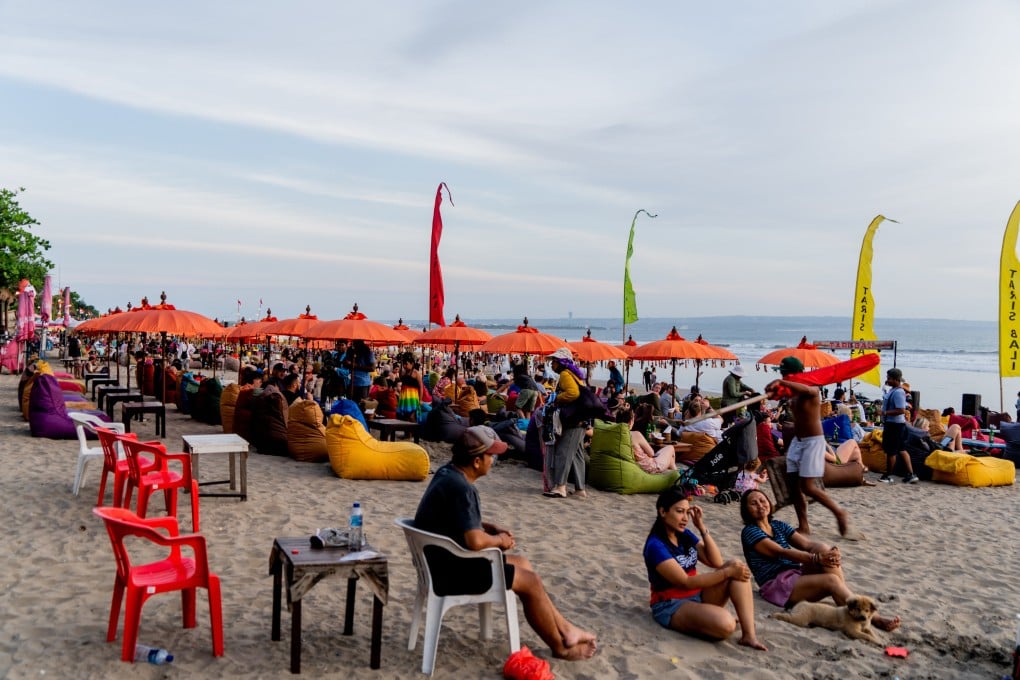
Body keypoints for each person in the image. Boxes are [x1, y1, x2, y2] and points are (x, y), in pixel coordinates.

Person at [414, 426, 598, 661]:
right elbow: (474, 540)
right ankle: (560, 646)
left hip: (439, 562)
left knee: (522, 563)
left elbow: (457, 520)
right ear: (477, 461)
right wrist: (500, 540)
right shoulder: (463, 489)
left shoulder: (447, 473)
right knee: (530, 583)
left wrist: (488, 527)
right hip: (452, 573)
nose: (494, 460)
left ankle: (565, 628)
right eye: (491, 456)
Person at [739, 489, 900, 632]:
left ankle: (849, 604)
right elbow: (781, 552)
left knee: (823, 548)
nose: (760, 505)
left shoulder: (777, 525)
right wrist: (816, 559)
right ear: (746, 510)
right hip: (776, 585)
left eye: (762, 500)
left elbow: (807, 544)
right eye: (753, 503)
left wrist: (831, 552)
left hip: (794, 575)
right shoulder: (750, 531)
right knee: (831, 580)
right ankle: (873, 617)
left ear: (769, 502)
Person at [643, 487, 767, 651]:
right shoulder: (655, 546)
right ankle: (712, 618)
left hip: (697, 595)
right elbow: (686, 581)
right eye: (680, 511)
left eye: (688, 512)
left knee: (736, 565)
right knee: (726, 624)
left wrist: (701, 527)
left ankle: (749, 636)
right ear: (663, 511)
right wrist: (727, 573)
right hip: (671, 604)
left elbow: (715, 561)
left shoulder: (684, 534)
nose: (685, 518)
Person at [764, 356, 861, 539]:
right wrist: (773, 391)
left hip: (813, 442)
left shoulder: (812, 389)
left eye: (785, 374)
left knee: (808, 487)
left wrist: (782, 382)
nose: (784, 377)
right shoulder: (792, 392)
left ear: (792, 374)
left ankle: (839, 513)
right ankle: (804, 525)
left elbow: (808, 390)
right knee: (792, 484)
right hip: (798, 442)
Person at [544, 347, 588, 499]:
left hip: (574, 419)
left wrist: (557, 398)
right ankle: (580, 489)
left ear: (561, 362)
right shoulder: (575, 375)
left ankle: (560, 486)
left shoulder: (564, 374)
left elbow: (572, 393)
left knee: (564, 451)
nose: (551, 365)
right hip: (583, 419)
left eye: (554, 361)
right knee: (576, 454)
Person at [879, 368, 919, 484]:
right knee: (901, 449)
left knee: (891, 451)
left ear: (896, 380)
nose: (887, 380)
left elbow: (901, 409)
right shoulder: (892, 390)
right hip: (896, 425)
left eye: (889, 378)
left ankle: (888, 475)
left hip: (894, 425)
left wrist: (885, 413)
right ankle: (911, 474)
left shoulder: (898, 392)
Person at [618, 406, 677, 473]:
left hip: (634, 466)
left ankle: (676, 475)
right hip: (648, 467)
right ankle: (677, 476)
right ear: (631, 421)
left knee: (670, 459)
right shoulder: (635, 434)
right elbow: (651, 453)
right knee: (670, 448)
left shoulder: (615, 435)